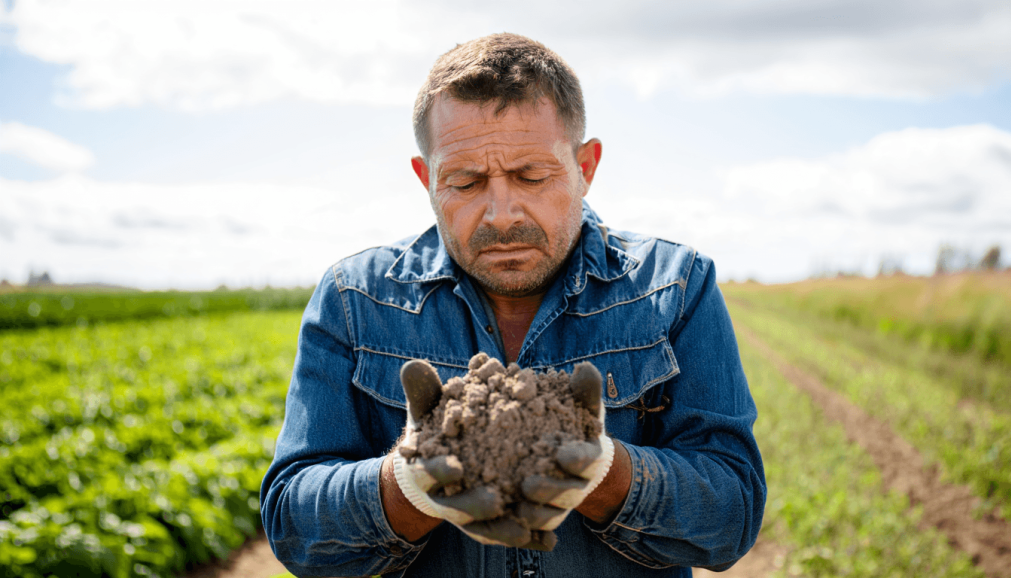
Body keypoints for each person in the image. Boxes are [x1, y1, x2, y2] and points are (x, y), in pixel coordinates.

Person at [261, 32, 765, 577]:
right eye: (466, 181)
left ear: (585, 167)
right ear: (426, 178)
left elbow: (731, 517)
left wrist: (605, 473)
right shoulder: (353, 300)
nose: (501, 214)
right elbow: (293, 525)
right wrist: (408, 486)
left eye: (531, 176)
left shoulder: (675, 288)